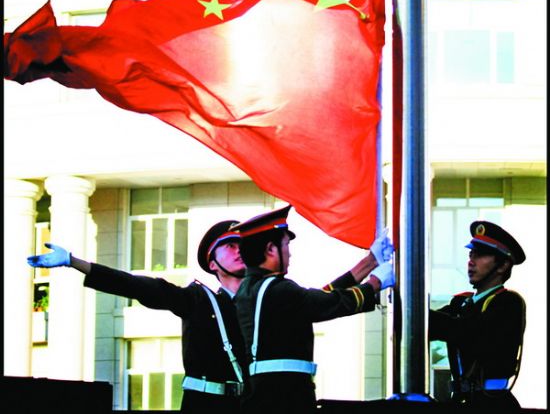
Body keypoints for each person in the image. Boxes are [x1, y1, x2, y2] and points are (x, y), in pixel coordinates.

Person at [27, 220, 248, 414]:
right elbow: (137, 285)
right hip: (206, 405)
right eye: (230, 246)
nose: (239, 251)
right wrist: (74, 262)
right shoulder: (198, 300)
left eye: (243, 246)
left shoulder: (261, 302)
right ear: (212, 263)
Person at [232, 204, 395, 414]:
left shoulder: (252, 289)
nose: (290, 254)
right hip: (284, 397)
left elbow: (319, 297)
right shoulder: (278, 290)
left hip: (267, 393)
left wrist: (370, 262)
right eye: (286, 245)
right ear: (271, 249)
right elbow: (328, 303)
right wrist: (375, 283)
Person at [429, 220, 527, 409]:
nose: (471, 261)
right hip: (463, 400)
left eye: (480, 255)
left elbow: (467, 332)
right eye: (471, 254)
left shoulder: (508, 303)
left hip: (493, 403)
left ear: (502, 265)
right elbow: (426, 326)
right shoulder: (462, 303)